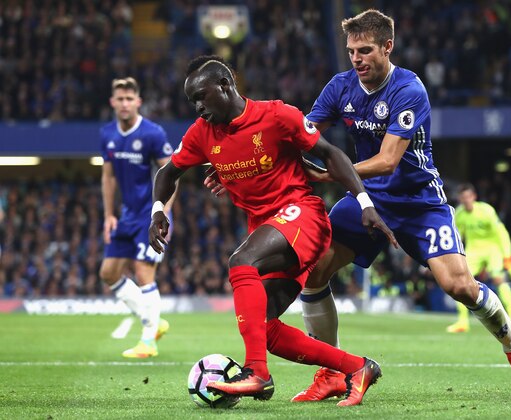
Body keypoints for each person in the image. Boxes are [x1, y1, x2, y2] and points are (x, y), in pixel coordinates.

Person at [290, 9, 511, 400]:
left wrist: (334, 172)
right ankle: (332, 371)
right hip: (367, 199)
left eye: (365, 50)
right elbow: (302, 134)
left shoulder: (409, 89)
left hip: (419, 203)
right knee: (315, 271)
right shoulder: (340, 87)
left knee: (459, 286)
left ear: (388, 47)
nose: (356, 59)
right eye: (352, 51)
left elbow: (389, 159)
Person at [149, 55, 398, 406]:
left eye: (201, 97)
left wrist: (365, 203)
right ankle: (357, 368)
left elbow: (330, 154)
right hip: (272, 231)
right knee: (263, 327)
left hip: (304, 216)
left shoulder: (277, 115)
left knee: (241, 261)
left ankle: (258, 375)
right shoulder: (202, 134)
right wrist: (158, 210)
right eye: (193, 101)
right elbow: (167, 173)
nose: (198, 108)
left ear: (225, 85)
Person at [99, 77, 174, 358]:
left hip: (150, 215)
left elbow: (170, 176)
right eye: (120, 99)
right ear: (113, 102)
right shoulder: (107, 134)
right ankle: (155, 320)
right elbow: (107, 177)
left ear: (138, 102)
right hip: (126, 216)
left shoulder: (153, 133)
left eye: (130, 98)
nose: (125, 103)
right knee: (108, 273)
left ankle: (148, 341)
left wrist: (162, 212)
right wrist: (109, 214)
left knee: (143, 273)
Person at [447, 183, 511, 333]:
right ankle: (462, 322)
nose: (466, 200)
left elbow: (501, 233)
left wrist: (507, 256)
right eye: (463, 197)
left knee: (499, 280)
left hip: (493, 249)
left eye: (468, 197)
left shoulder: (486, 210)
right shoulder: (459, 214)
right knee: (460, 282)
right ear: (460, 199)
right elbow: (458, 237)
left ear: (474, 197)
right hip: (473, 250)